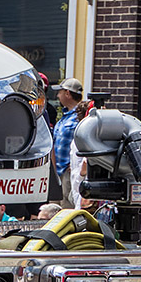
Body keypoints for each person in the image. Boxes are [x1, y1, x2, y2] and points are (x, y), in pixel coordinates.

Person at [52, 78, 86, 207]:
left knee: (67, 208)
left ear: (67, 93)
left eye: (60, 92)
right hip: (58, 172)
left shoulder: (80, 115)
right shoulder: (65, 116)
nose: (57, 95)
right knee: (54, 209)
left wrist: (76, 164)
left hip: (69, 171)